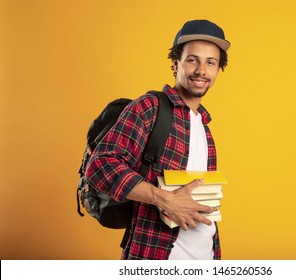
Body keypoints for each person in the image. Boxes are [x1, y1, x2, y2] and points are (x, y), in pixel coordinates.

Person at [85, 19, 230, 260]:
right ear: (176, 64)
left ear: (217, 70)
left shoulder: (204, 126)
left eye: (210, 62)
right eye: (192, 60)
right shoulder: (149, 108)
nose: (201, 70)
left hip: (206, 256)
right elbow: (100, 165)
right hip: (155, 255)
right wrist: (165, 200)